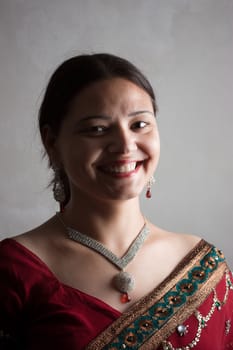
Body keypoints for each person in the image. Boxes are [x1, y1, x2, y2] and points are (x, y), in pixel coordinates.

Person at [0, 53, 232, 350]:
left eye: (139, 125)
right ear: (52, 142)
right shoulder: (15, 270)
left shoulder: (204, 266)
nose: (125, 145)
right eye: (97, 129)